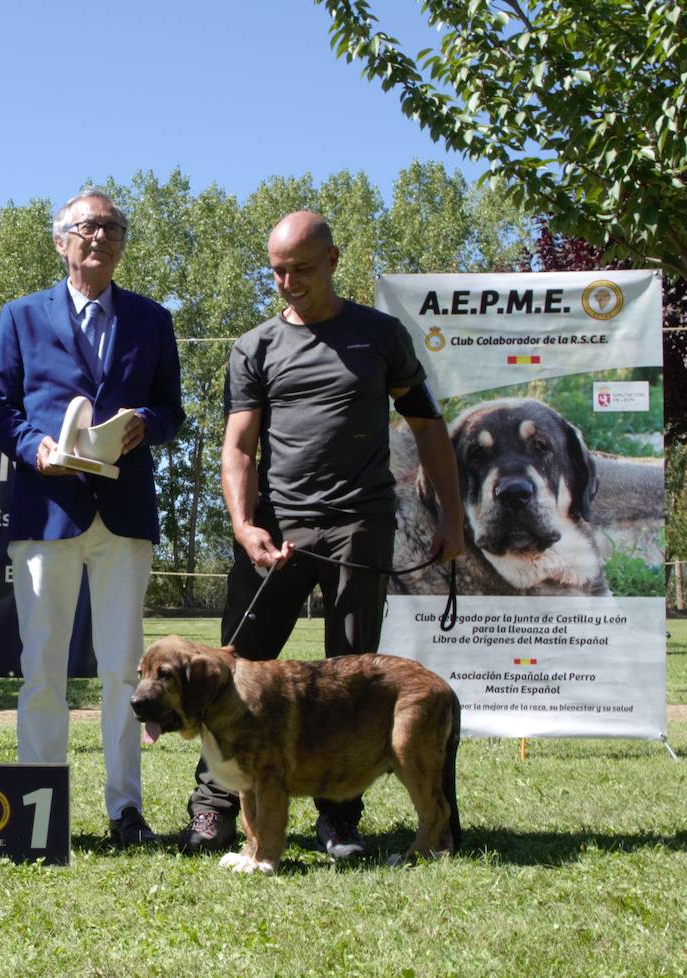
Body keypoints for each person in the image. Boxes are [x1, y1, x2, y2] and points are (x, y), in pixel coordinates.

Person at [181, 211, 464, 857]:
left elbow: (427, 428)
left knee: (352, 682)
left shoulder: (379, 336)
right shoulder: (254, 347)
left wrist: (452, 517)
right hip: (275, 535)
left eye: (301, 269)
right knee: (231, 672)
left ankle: (338, 820)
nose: (287, 282)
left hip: (360, 526)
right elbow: (240, 447)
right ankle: (213, 807)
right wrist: (243, 523)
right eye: (277, 270)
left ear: (333, 260)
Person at [0, 190, 184, 846]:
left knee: (125, 669)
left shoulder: (154, 320)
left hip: (123, 515)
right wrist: (33, 447)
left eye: (112, 229)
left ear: (122, 244)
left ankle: (126, 810)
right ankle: (39, 814)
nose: (99, 237)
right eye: (87, 228)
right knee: (43, 664)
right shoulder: (19, 317)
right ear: (60, 241)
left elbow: (170, 408)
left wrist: (142, 427)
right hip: (47, 512)